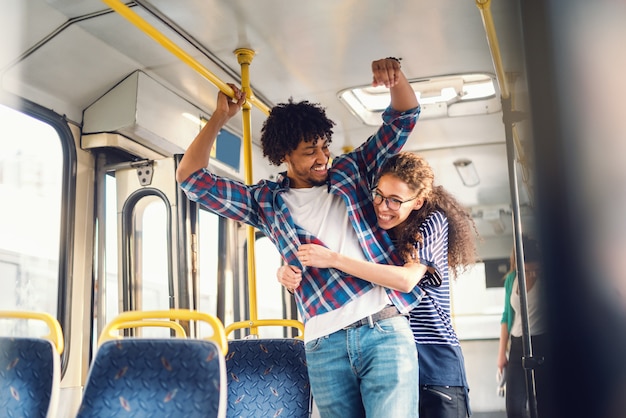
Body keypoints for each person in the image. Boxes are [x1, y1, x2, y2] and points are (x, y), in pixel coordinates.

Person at [176, 58, 422, 418]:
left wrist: (395, 79)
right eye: (311, 152)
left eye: (325, 146)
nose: (323, 158)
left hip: (381, 327)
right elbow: (191, 179)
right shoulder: (265, 202)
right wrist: (219, 119)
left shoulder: (352, 170)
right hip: (324, 344)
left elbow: (403, 118)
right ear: (285, 156)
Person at [278, 152, 478, 418]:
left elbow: (405, 280)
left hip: (433, 362)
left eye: (395, 201)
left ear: (418, 201)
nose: (383, 207)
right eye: (379, 195)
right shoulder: (371, 227)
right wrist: (287, 273)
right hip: (384, 356)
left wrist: (334, 259)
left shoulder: (431, 222)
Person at [497, 236, 552, 418]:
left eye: (535, 269)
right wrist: (501, 354)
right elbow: (506, 316)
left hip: (542, 342)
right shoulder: (512, 278)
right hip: (516, 345)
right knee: (514, 407)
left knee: (545, 403)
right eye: (527, 269)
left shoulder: (547, 279)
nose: (531, 273)